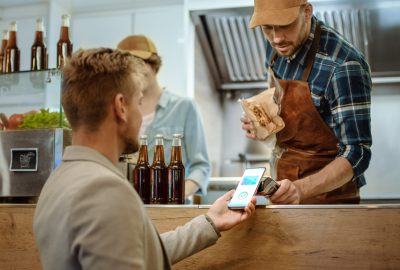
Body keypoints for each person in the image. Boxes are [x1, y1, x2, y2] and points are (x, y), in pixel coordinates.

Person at [33, 48, 256, 269]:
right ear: (121, 107)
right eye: (139, 102)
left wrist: (210, 223)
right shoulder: (104, 189)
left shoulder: (57, 180)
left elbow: (137, 253)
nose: (142, 116)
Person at [242, 0, 372, 204]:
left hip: (328, 201)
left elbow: (357, 152)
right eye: (267, 28)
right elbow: (288, 110)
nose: (276, 38)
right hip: (283, 186)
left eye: (285, 25)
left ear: (307, 12)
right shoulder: (276, 46)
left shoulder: (343, 66)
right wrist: (264, 124)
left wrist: (300, 189)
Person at [117, 35, 210, 199]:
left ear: (153, 65)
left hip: (171, 209)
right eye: (127, 68)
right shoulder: (120, 110)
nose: (134, 73)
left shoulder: (184, 108)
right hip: (130, 205)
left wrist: (176, 194)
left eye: (140, 63)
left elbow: (201, 166)